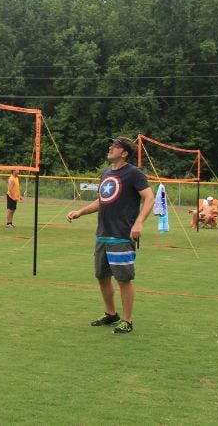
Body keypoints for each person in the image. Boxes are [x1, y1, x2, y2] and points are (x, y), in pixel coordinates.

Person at [66, 136, 154, 334]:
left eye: (115, 146)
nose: (110, 148)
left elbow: (149, 198)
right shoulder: (106, 173)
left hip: (122, 235)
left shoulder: (133, 173)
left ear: (124, 153)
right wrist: (80, 211)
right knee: (102, 276)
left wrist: (139, 222)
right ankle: (111, 314)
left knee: (123, 279)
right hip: (102, 234)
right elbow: (102, 200)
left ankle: (127, 320)